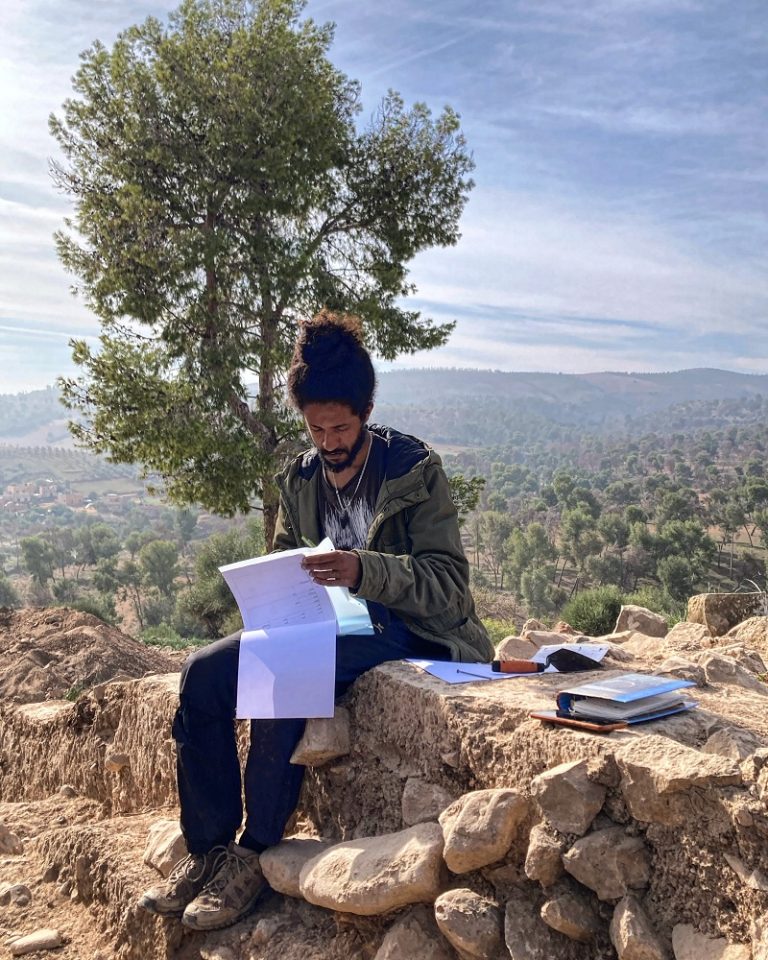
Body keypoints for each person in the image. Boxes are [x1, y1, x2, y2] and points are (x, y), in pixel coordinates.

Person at [139, 310, 492, 931]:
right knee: (202, 674)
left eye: (340, 427)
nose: (328, 441)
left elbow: (448, 587)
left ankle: (254, 852)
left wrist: (362, 571)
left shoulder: (413, 472)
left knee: (286, 669)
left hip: (404, 628)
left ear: (366, 412)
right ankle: (209, 849)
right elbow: (286, 561)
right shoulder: (300, 478)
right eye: (315, 428)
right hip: (324, 624)